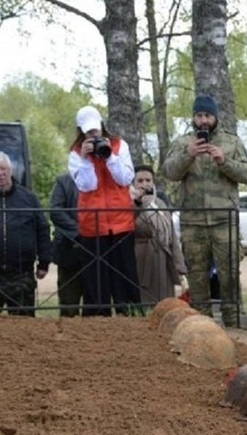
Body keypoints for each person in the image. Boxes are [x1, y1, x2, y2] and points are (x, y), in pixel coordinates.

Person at [162, 95, 247, 327]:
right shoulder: (184, 143)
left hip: (225, 220)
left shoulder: (231, 142)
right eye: (199, 115)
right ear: (194, 117)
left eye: (207, 115)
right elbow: (170, 172)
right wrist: (188, 155)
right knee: (197, 276)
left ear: (215, 117)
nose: (203, 120)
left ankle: (234, 326)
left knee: (229, 275)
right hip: (193, 222)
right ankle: (201, 328)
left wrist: (225, 161)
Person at [68, 105, 141, 316]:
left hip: (120, 224)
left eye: (96, 129)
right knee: (95, 282)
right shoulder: (75, 154)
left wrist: (110, 157)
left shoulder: (119, 145)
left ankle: (128, 314)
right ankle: (98, 321)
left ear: (102, 125)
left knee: (124, 278)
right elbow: (87, 185)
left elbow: (125, 179)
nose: (94, 134)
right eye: (89, 131)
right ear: (81, 131)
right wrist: (85, 159)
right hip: (93, 226)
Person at [0, 152, 51, 316]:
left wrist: (44, 262)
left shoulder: (29, 198)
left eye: (3, 169)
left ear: (10, 171)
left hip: (22, 274)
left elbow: (43, 229)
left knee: (24, 325)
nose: (0, 174)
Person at [130, 165, 187, 304]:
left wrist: (179, 266)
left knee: (165, 299)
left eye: (148, 180)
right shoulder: (129, 203)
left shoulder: (160, 203)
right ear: (134, 183)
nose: (145, 184)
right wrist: (138, 203)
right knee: (145, 300)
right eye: (140, 180)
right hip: (141, 257)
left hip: (163, 257)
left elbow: (171, 235)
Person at [49, 172, 83, 317]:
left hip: (98, 250)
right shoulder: (63, 181)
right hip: (68, 250)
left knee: (96, 307)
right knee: (69, 307)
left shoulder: (102, 178)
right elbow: (55, 211)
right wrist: (80, 232)